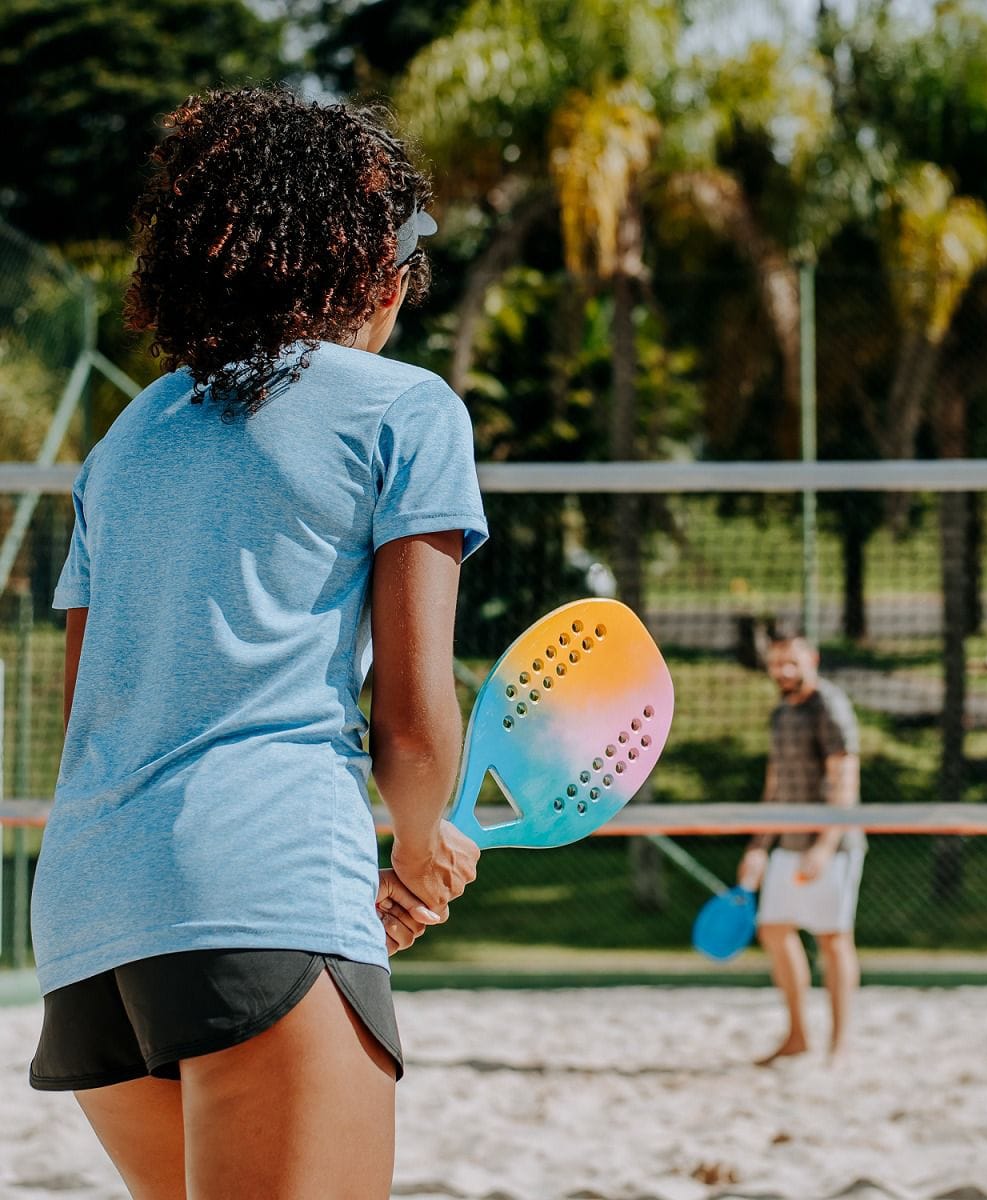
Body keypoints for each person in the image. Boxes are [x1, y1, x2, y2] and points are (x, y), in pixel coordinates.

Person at [27, 87, 489, 1199]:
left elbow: (85, 708)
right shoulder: (405, 408)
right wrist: (423, 846)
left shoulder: (128, 438)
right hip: (260, 883)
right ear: (366, 260)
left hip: (91, 919)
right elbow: (415, 722)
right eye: (408, 251)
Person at [737, 629, 865, 1066]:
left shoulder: (828, 704)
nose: (784, 670)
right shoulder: (780, 713)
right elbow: (775, 785)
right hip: (787, 842)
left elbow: (845, 776)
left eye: (792, 662)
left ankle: (841, 1044)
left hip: (832, 844)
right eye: (776, 663)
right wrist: (758, 846)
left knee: (833, 940)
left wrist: (825, 845)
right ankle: (797, 1035)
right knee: (773, 930)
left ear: (812, 658)